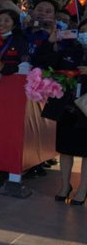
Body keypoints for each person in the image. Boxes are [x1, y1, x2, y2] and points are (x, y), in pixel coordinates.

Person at [35, 19, 87, 205]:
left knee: (85, 151)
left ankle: (83, 189)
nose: (84, 34)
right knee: (65, 149)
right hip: (67, 107)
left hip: (86, 110)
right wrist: (50, 43)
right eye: (82, 31)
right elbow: (41, 62)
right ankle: (65, 185)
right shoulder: (69, 49)